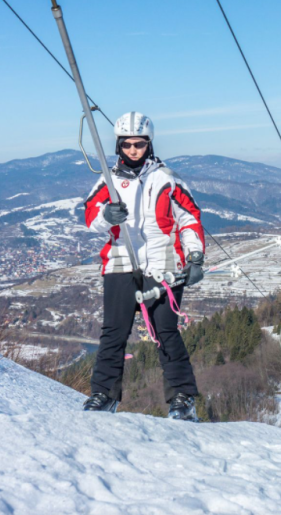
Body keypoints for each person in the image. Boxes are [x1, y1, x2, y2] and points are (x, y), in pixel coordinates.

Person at [81, 112, 206, 420]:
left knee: (166, 331)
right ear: (118, 146)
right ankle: (103, 394)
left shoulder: (167, 179)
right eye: (127, 145)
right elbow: (90, 215)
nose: (133, 150)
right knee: (114, 332)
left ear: (149, 145)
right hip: (120, 261)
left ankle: (182, 399)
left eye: (139, 144)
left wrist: (194, 255)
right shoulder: (108, 182)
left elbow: (189, 218)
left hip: (164, 263)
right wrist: (106, 217)